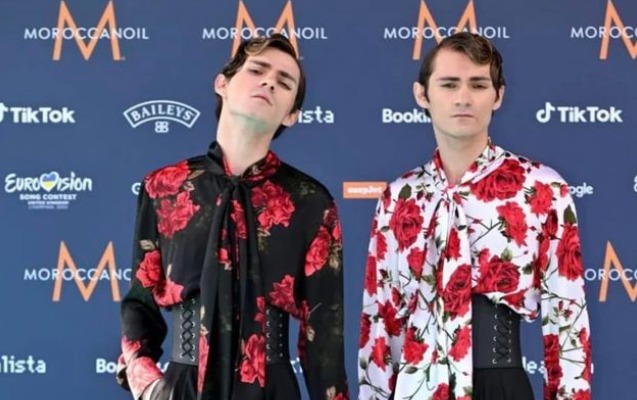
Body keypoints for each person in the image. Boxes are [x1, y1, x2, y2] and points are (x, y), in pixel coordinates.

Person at [358, 32, 591, 400]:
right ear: (422, 95)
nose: (463, 98)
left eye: (478, 85)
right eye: (449, 84)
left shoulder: (542, 188)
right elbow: (380, 321)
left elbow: (568, 320)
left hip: (501, 386)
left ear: (498, 96)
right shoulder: (399, 197)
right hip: (414, 388)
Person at [116, 33, 349, 400]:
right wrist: (146, 383)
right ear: (222, 84)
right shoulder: (164, 187)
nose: (269, 82)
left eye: (284, 81)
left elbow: (324, 333)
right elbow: (140, 301)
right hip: (182, 387)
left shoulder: (310, 201)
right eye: (257, 70)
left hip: (272, 389)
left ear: (292, 114)